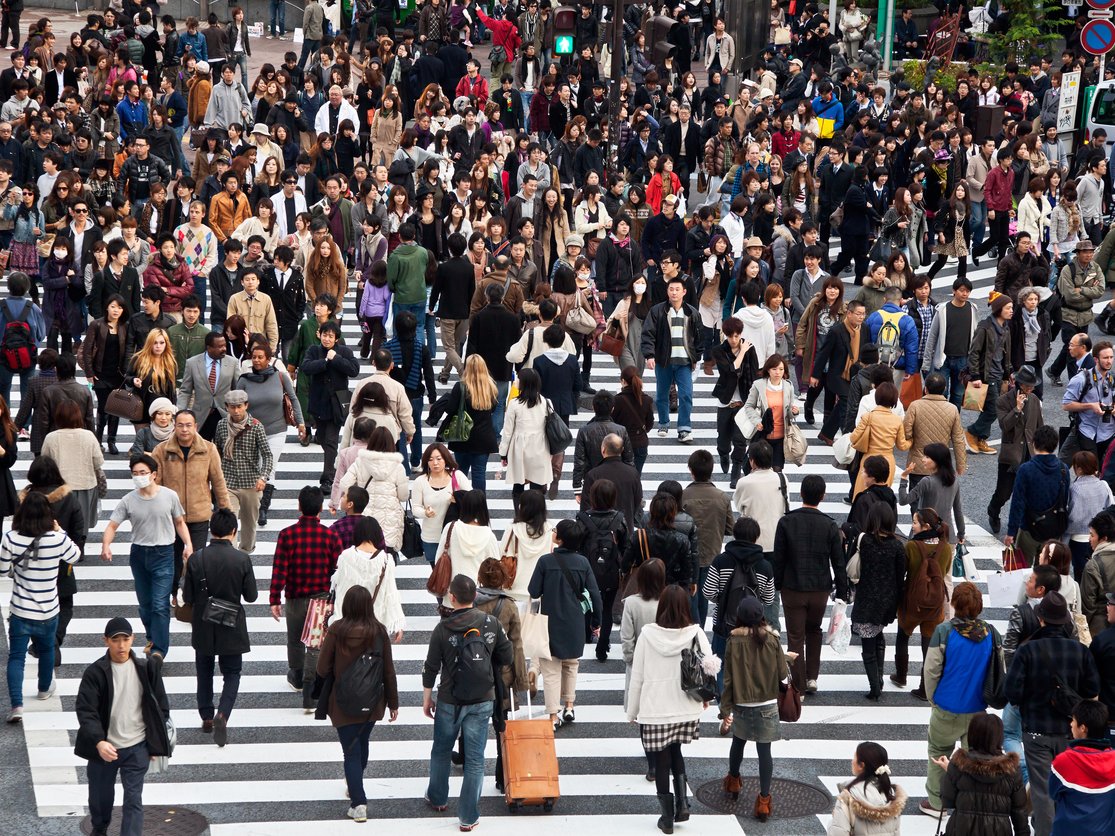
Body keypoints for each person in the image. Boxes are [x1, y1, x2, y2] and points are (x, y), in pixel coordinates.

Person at [1005, 590, 1101, 836]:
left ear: (1041, 619)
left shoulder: (1027, 652)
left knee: (1042, 791)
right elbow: (1092, 689)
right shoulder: (1080, 651)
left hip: (1036, 730)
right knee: (1071, 787)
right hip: (1072, 730)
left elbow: (1012, 693)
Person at [422, 573, 513, 833]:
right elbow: (506, 657)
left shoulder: (442, 628)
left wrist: (428, 697)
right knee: (475, 759)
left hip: (450, 699)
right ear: (475, 597)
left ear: (451, 597)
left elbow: (431, 667)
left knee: (441, 749)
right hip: (483, 698)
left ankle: (438, 798)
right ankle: (468, 816)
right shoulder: (491, 623)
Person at [626, 584, 713, 834]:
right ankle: (682, 803)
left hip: (655, 708)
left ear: (661, 606)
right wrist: (705, 698)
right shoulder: (695, 633)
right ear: (685, 606)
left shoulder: (647, 635)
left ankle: (666, 817)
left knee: (662, 759)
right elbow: (709, 668)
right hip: (685, 706)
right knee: (676, 752)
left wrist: (632, 711)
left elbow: (638, 677)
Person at [74, 617, 171, 836]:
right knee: (100, 798)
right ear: (106, 641)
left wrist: (154, 745)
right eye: (115, 640)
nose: (121, 645)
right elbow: (86, 711)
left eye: (126, 639)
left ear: (132, 639)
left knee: (133, 801)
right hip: (105, 749)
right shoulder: (95, 672)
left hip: (137, 747)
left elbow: (160, 707)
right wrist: (99, 742)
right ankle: (99, 828)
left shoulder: (147, 668)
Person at [316, 584, 399, 824]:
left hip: (342, 702)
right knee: (361, 744)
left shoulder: (336, 630)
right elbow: (389, 672)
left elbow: (322, 668)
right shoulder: (379, 631)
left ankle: (358, 802)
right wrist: (393, 703)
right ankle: (355, 784)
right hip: (372, 702)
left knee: (350, 750)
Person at [100, 454, 193, 660]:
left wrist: (188, 544)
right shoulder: (128, 500)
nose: (139, 477)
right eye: (135, 474)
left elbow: (179, 522)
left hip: (164, 554)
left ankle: (159, 649)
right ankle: (152, 636)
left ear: (154, 475)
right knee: (145, 604)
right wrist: (106, 545)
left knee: (160, 605)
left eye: (143, 473)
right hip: (139, 555)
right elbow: (112, 525)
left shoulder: (169, 496)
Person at [921, 582, 1002, 819]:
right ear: (979, 606)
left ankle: (937, 803)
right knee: (975, 759)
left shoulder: (944, 632)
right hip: (978, 709)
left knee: (938, 751)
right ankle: (972, 801)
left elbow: (932, 669)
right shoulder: (991, 633)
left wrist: (932, 698)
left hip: (947, 705)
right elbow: (999, 669)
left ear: (954, 604)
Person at [2, 491, 82, 722]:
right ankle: (44, 688)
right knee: (47, 649)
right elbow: (75, 556)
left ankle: (17, 705)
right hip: (48, 608)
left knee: (16, 657)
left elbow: (1, 569)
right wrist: (60, 531)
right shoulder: (56, 539)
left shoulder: (11, 538)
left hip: (20, 608)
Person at [182, 507, 257, 747]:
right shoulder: (242, 559)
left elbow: (189, 596)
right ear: (233, 532)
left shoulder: (197, 558)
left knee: (204, 670)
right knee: (232, 673)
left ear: (211, 530)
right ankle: (223, 713)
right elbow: (251, 596)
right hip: (231, 622)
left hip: (204, 623)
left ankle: (206, 715)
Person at [773, 474, 849, 695]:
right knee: (814, 631)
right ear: (823, 496)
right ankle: (812, 678)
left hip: (792, 587)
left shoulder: (786, 522)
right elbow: (838, 562)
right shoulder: (829, 525)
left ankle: (797, 684)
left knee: (795, 636)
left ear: (801, 494)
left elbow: (779, 558)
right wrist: (842, 591)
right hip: (820, 588)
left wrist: (777, 584)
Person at [269, 486, 343, 711]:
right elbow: (337, 569)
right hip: (320, 597)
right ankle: (310, 692)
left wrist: (274, 599)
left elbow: (279, 569)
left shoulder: (287, 534)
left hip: (294, 598)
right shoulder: (330, 536)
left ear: (299, 506)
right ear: (321, 508)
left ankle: (297, 675)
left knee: (294, 639)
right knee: (314, 644)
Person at [528, 519, 602, 729]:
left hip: (550, 624)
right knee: (571, 665)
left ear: (559, 539)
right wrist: (596, 621)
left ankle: (553, 716)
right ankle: (569, 705)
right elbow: (595, 595)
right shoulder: (583, 563)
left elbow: (533, 592)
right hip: (575, 623)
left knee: (550, 671)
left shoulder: (545, 562)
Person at [152, 409, 230, 604]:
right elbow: (155, 483)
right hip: (170, 517)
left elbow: (218, 481)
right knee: (173, 557)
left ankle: (192, 596)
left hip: (199, 514)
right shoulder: (161, 450)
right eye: (180, 425)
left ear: (195, 427)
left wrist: (226, 510)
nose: (184, 429)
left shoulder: (208, 449)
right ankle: (171, 593)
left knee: (195, 559)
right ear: (174, 426)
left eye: (188, 425)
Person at [239, 342, 305, 525]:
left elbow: (293, 398)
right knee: (255, 467)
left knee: (268, 465)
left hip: (276, 429)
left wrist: (300, 422)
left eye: (261, 357)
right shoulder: (244, 380)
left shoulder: (280, 377)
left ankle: (263, 507)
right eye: (254, 357)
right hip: (250, 430)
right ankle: (255, 502)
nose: (257, 360)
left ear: (269, 359)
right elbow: (236, 403)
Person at [851, 503, 908, 701]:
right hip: (888, 601)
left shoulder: (865, 541)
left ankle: (875, 686)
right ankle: (879, 678)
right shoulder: (897, 546)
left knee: (867, 642)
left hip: (866, 598)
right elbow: (901, 575)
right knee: (878, 633)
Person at [301, 320, 360, 494]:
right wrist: (325, 362)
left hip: (337, 402)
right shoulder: (313, 350)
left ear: (336, 338)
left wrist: (336, 359)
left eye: (331, 336)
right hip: (319, 402)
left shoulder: (344, 351)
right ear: (319, 335)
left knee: (331, 440)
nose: (327, 339)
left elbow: (354, 370)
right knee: (322, 438)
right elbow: (305, 367)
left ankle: (327, 479)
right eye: (325, 335)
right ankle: (332, 469)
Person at [212, 389, 273, 554]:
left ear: (246, 405)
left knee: (249, 523)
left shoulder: (255, 426)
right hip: (228, 482)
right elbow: (216, 449)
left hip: (251, 483)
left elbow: (267, 454)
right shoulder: (221, 425)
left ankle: (245, 553)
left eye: (239, 406)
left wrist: (263, 477)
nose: (236, 411)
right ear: (226, 407)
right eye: (232, 407)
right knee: (228, 521)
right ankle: (230, 554)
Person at [426, 354, 498, 492]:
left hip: (462, 436)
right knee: (479, 473)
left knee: (460, 473)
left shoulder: (461, 387)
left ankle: (460, 503)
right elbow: (493, 408)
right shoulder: (490, 387)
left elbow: (451, 409)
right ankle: (479, 506)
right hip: (483, 437)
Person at [641, 273, 700, 444]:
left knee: (686, 395)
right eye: (671, 289)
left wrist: (696, 356)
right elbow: (648, 334)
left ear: (684, 292)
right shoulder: (658, 311)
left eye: (677, 289)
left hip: (684, 361)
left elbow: (699, 337)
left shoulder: (692, 313)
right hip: (663, 359)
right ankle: (664, 423)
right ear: (667, 292)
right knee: (661, 394)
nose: (674, 292)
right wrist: (649, 355)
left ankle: (684, 428)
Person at [985, 365, 1042, 534]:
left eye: (1032, 386)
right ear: (1018, 383)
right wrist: (1016, 409)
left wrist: (1041, 450)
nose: (1030, 389)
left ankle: (1021, 525)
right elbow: (1004, 426)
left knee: (1028, 493)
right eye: (1027, 385)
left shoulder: (1034, 400)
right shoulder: (1003, 401)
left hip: (1030, 454)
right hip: (1010, 456)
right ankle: (993, 511)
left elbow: (1039, 426)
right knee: (1003, 493)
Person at [1005, 425, 1071, 564]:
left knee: (1023, 572)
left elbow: (1018, 502)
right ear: (1055, 445)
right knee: (1047, 575)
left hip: (1029, 528)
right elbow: (1064, 500)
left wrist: (1011, 531)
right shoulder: (1063, 469)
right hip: (1053, 530)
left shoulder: (1026, 469)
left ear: (1034, 443)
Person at [337, 426, 408, 550]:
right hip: (389, 519)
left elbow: (344, 484)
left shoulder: (360, 462)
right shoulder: (398, 467)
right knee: (386, 561)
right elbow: (403, 496)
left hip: (365, 517)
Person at [1050, 699, 1115, 832]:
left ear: (1083, 728)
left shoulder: (1063, 762)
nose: (1071, 724)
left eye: (1073, 720)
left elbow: (1053, 794)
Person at [965, 294, 1014, 455]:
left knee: (989, 408)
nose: (1011, 311)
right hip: (987, 375)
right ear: (999, 309)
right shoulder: (985, 327)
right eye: (1008, 308)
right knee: (993, 409)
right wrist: (975, 376)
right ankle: (972, 432)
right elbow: (974, 352)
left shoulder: (1005, 327)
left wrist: (1008, 374)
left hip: (999, 374)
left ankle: (981, 439)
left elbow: (1006, 354)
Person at [712, 316, 759, 483]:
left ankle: (736, 470)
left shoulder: (750, 349)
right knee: (723, 440)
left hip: (744, 402)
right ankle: (724, 455)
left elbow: (754, 375)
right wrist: (742, 353)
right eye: (730, 336)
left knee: (740, 441)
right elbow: (730, 372)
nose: (734, 340)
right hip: (725, 401)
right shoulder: (719, 350)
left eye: (737, 336)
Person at [410, 442, 472, 566]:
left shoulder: (457, 476)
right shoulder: (420, 481)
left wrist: (458, 499)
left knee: (456, 573)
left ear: (446, 459)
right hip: (431, 536)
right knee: (439, 576)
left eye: (439, 459)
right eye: (431, 459)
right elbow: (415, 508)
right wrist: (425, 513)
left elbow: (472, 500)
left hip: (456, 534)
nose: (435, 463)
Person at [826, 741, 907, 836]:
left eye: (854, 758)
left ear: (861, 765)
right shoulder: (892, 795)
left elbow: (838, 833)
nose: (852, 761)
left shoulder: (849, 797)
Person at [923, 277, 979, 408]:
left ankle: (954, 422)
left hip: (963, 359)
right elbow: (932, 336)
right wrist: (926, 363)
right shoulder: (943, 310)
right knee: (941, 393)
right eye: (962, 290)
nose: (965, 294)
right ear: (954, 291)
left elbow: (975, 336)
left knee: (958, 394)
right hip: (943, 359)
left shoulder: (973, 309)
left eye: (968, 291)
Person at [850, 382, 910, 498]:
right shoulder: (897, 420)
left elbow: (853, 438)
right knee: (882, 497)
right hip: (888, 460)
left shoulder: (868, 417)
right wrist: (912, 440)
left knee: (862, 496)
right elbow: (902, 445)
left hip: (869, 458)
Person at [1063, 340, 1115, 469]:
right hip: (1087, 432)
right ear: (1096, 359)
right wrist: (1091, 406)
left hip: (1108, 432)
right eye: (1105, 358)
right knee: (1090, 471)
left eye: (1111, 357)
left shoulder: (1113, 378)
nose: (1109, 361)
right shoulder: (1081, 379)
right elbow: (1066, 405)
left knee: (1106, 473)